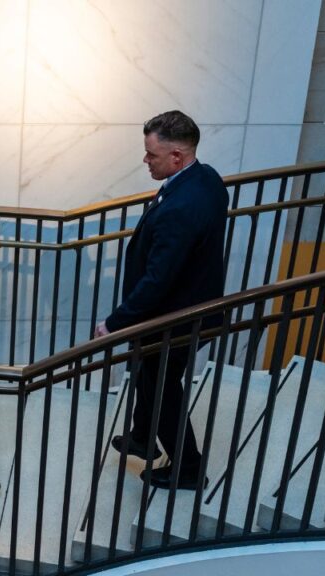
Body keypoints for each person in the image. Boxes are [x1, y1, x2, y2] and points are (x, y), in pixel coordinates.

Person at [95, 110, 228, 490]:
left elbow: (158, 280)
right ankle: (141, 436)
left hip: (173, 319)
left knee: (162, 390)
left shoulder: (181, 208)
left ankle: (187, 468)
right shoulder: (206, 179)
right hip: (186, 306)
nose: (145, 160)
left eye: (152, 155)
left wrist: (115, 322)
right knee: (148, 373)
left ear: (176, 157)